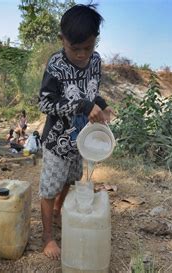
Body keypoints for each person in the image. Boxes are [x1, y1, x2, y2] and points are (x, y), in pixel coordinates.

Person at [38, 4, 114, 260]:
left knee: (70, 180)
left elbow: (91, 92)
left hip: (80, 141)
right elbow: (46, 103)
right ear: (62, 40)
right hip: (57, 142)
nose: (82, 55)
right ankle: (47, 237)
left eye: (88, 48)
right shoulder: (56, 65)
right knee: (49, 188)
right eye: (75, 48)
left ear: (95, 42)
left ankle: (60, 211)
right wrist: (83, 106)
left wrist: (102, 105)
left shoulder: (96, 61)